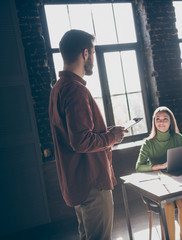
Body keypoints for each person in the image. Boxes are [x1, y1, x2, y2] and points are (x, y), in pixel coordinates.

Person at [49, 29, 127, 240]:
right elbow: (81, 141)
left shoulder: (58, 88)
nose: (93, 57)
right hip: (92, 183)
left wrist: (107, 132)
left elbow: (76, 135)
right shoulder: (76, 90)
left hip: (77, 182)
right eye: (93, 52)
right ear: (85, 54)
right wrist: (113, 137)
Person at [136, 106, 182, 240]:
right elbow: (139, 167)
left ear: (171, 122)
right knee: (167, 206)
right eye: (158, 119)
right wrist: (160, 166)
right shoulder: (148, 143)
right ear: (154, 122)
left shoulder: (177, 137)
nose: (161, 122)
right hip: (159, 185)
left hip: (177, 181)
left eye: (165, 119)